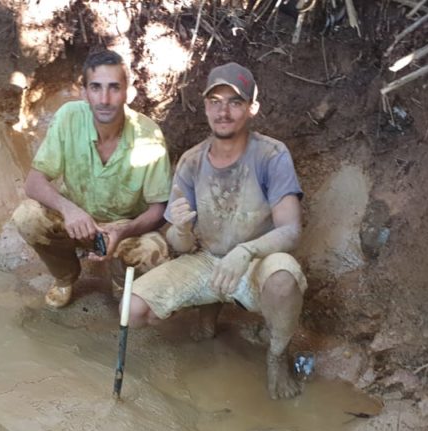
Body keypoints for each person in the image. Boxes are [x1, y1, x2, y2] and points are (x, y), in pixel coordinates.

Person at [129, 62, 307, 400]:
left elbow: (291, 230)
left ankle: (276, 355)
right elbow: (180, 244)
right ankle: (208, 306)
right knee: (133, 310)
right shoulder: (191, 161)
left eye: (235, 102)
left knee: (284, 281)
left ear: (252, 108)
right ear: (205, 106)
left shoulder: (271, 155)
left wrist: (246, 251)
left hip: (255, 262)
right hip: (206, 260)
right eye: (215, 102)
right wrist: (181, 229)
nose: (223, 112)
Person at [12, 50, 171, 308]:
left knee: (157, 251)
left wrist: (123, 231)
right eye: (96, 88)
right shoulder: (69, 117)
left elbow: (159, 209)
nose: (104, 99)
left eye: (114, 88)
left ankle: (120, 278)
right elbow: (33, 182)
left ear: (128, 93)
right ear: (84, 92)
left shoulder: (148, 134)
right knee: (26, 216)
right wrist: (69, 210)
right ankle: (65, 276)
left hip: (123, 227)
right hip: (75, 218)